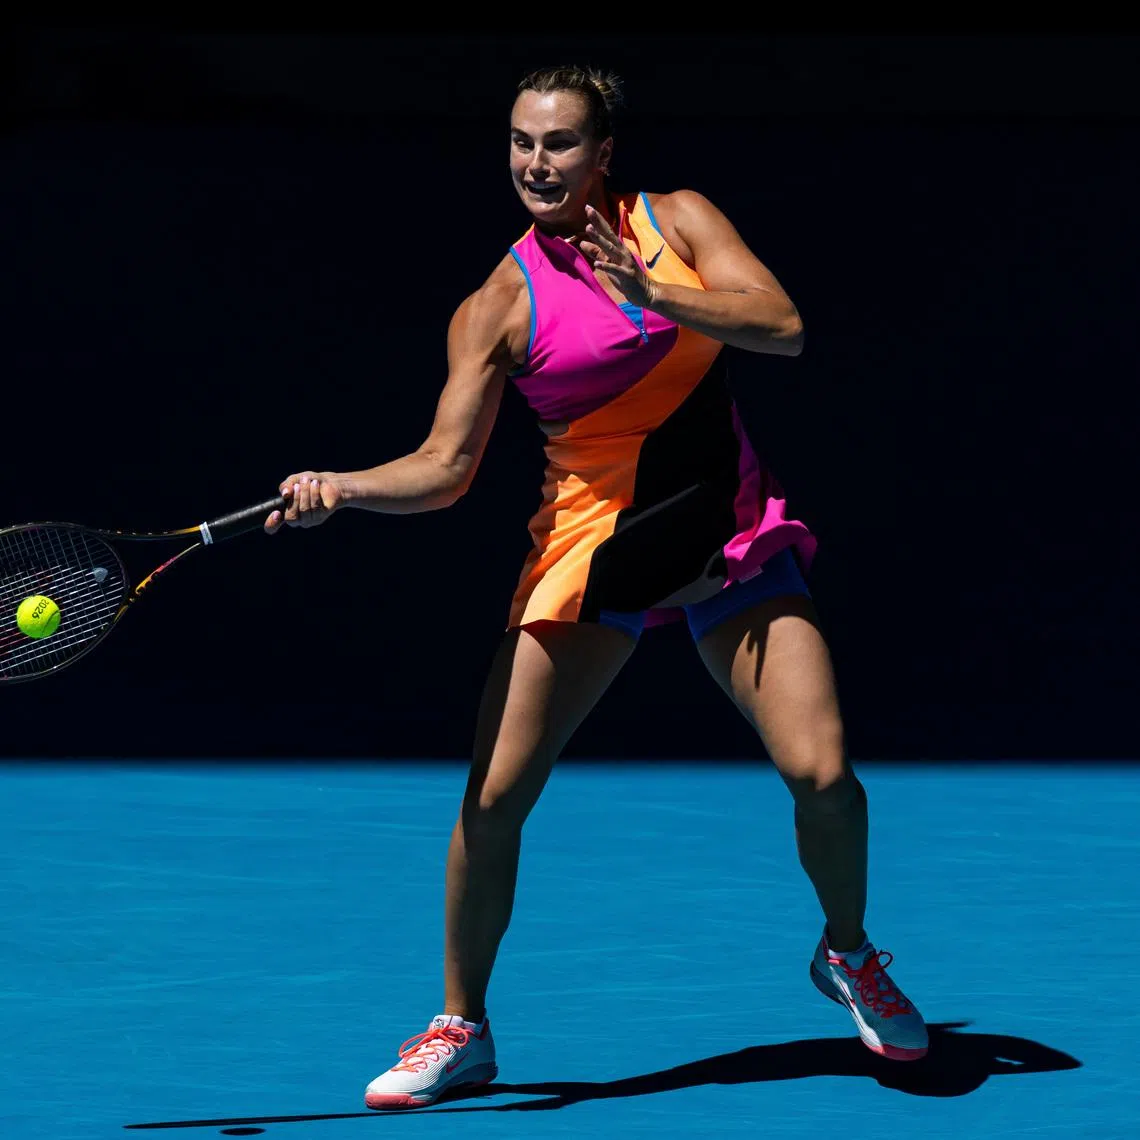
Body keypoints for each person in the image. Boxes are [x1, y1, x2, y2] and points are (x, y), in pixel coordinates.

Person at [265, 64, 928, 1109]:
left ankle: (847, 953)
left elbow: (784, 325)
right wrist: (342, 487)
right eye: (524, 143)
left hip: (726, 536)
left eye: (562, 143)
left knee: (826, 775)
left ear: (603, 153)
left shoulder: (680, 222)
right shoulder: (495, 306)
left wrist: (652, 291)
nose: (538, 162)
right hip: (594, 554)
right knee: (492, 799)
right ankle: (462, 1026)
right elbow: (442, 472)